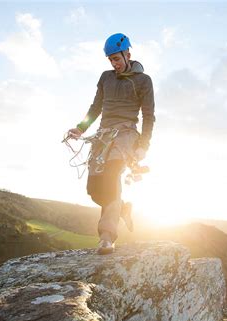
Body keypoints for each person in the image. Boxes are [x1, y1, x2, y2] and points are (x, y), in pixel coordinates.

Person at [67, 33, 155, 255]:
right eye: (110, 60)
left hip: (126, 135)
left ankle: (107, 237)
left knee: (112, 176)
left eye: (117, 58)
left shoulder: (144, 81)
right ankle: (122, 208)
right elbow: (95, 107)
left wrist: (144, 144)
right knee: (94, 190)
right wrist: (81, 128)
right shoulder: (105, 77)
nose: (114, 64)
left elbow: (149, 115)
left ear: (128, 54)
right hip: (102, 136)